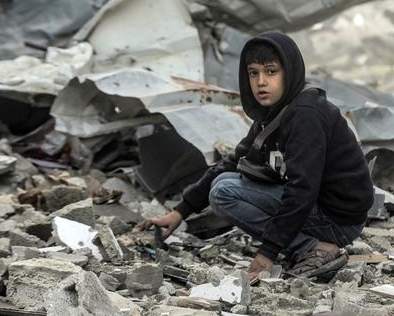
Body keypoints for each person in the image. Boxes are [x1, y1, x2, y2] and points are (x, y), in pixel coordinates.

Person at [139, 31, 373, 279]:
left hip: (338, 220)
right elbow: (234, 161)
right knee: (222, 184)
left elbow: (303, 188)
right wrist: (181, 211)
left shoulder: (306, 114)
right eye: (254, 73)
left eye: (271, 71)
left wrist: (268, 253)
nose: (261, 82)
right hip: (319, 208)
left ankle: (313, 249)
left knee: (224, 192)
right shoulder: (276, 112)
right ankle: (307, 243)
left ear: (289, 71)